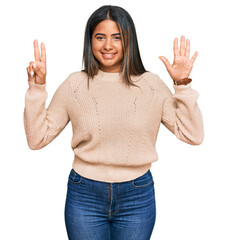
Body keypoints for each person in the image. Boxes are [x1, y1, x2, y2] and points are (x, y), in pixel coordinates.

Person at [24, 4, 204, 240]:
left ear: (129, 40)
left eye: (117, 37)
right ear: (90, 41)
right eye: (100, 37)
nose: (108, 45)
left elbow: (193, 135)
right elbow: (37, 139)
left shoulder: (150, 85)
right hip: (84, 195)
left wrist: (182, 85)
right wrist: (37, 88)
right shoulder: (75, 84)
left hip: (137, 196)